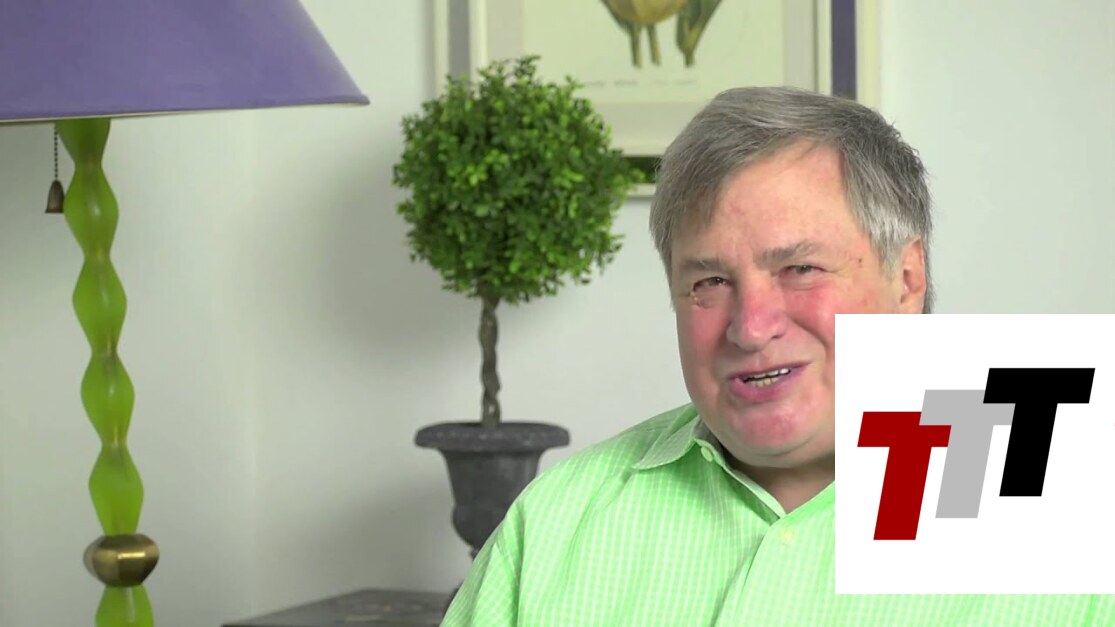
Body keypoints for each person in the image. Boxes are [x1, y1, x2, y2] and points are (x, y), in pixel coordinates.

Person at [440, 87, 1113, 625]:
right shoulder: (555, 522)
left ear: (908, 278)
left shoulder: (1075, 510)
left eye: (800, 268)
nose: (751, 327)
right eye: (709, 281)